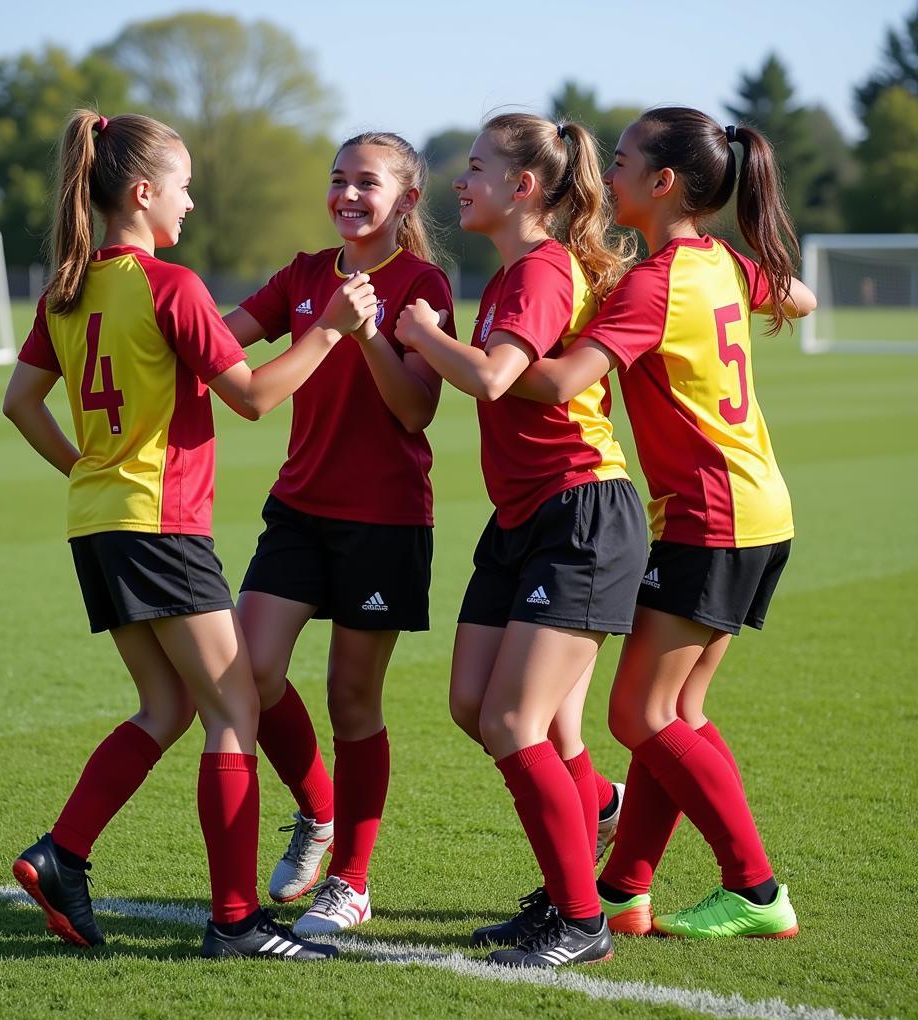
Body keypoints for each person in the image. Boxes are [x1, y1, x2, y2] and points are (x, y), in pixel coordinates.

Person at [3, 109, 378, 960]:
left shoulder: (68, 287)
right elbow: (252, 396)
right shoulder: (169, 286)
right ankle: (237, 921)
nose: (192, 204)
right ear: (143, 193)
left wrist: (88, 471)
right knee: (234, 709)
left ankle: (62, 853)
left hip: (99, 524)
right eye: (184, 187)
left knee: (168, 705)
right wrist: (329, 330)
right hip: (161, 527)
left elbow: (19, 403)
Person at [515, 107, 816, 940]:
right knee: (674, 711)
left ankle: (755, 890)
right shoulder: (717, 260)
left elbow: (556, 380)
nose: (608, 174)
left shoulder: (657, 282)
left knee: (638, 717)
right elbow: (800, 292)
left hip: (709, 518)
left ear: (663, 183)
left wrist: (470, 349)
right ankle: (625, 888)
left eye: (620, 161)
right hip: (759, 506)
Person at [394, 113, 646, 969]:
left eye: (474, 168)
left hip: (580, 514)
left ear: (524, 188)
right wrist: (444, 336)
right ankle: (593, 811)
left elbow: (497, 379)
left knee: (510, 718)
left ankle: (580, 922)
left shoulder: (540, 268)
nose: (459, 182)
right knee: (476, 707)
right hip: (522, 521)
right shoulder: (506, 277)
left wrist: (426, 335)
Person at [221, 132, 454, 937]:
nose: (347, 195)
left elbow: (416, 409)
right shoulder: (304, 272)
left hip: (385, 520)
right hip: (298, 509)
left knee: (352, 699)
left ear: (406, 200)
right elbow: (223, 338)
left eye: (366, 183)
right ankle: (317, 812)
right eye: (338, 180)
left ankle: (350, 881)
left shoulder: (424, 283)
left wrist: (364, 333)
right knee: (250, 671)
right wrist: (160, 318)